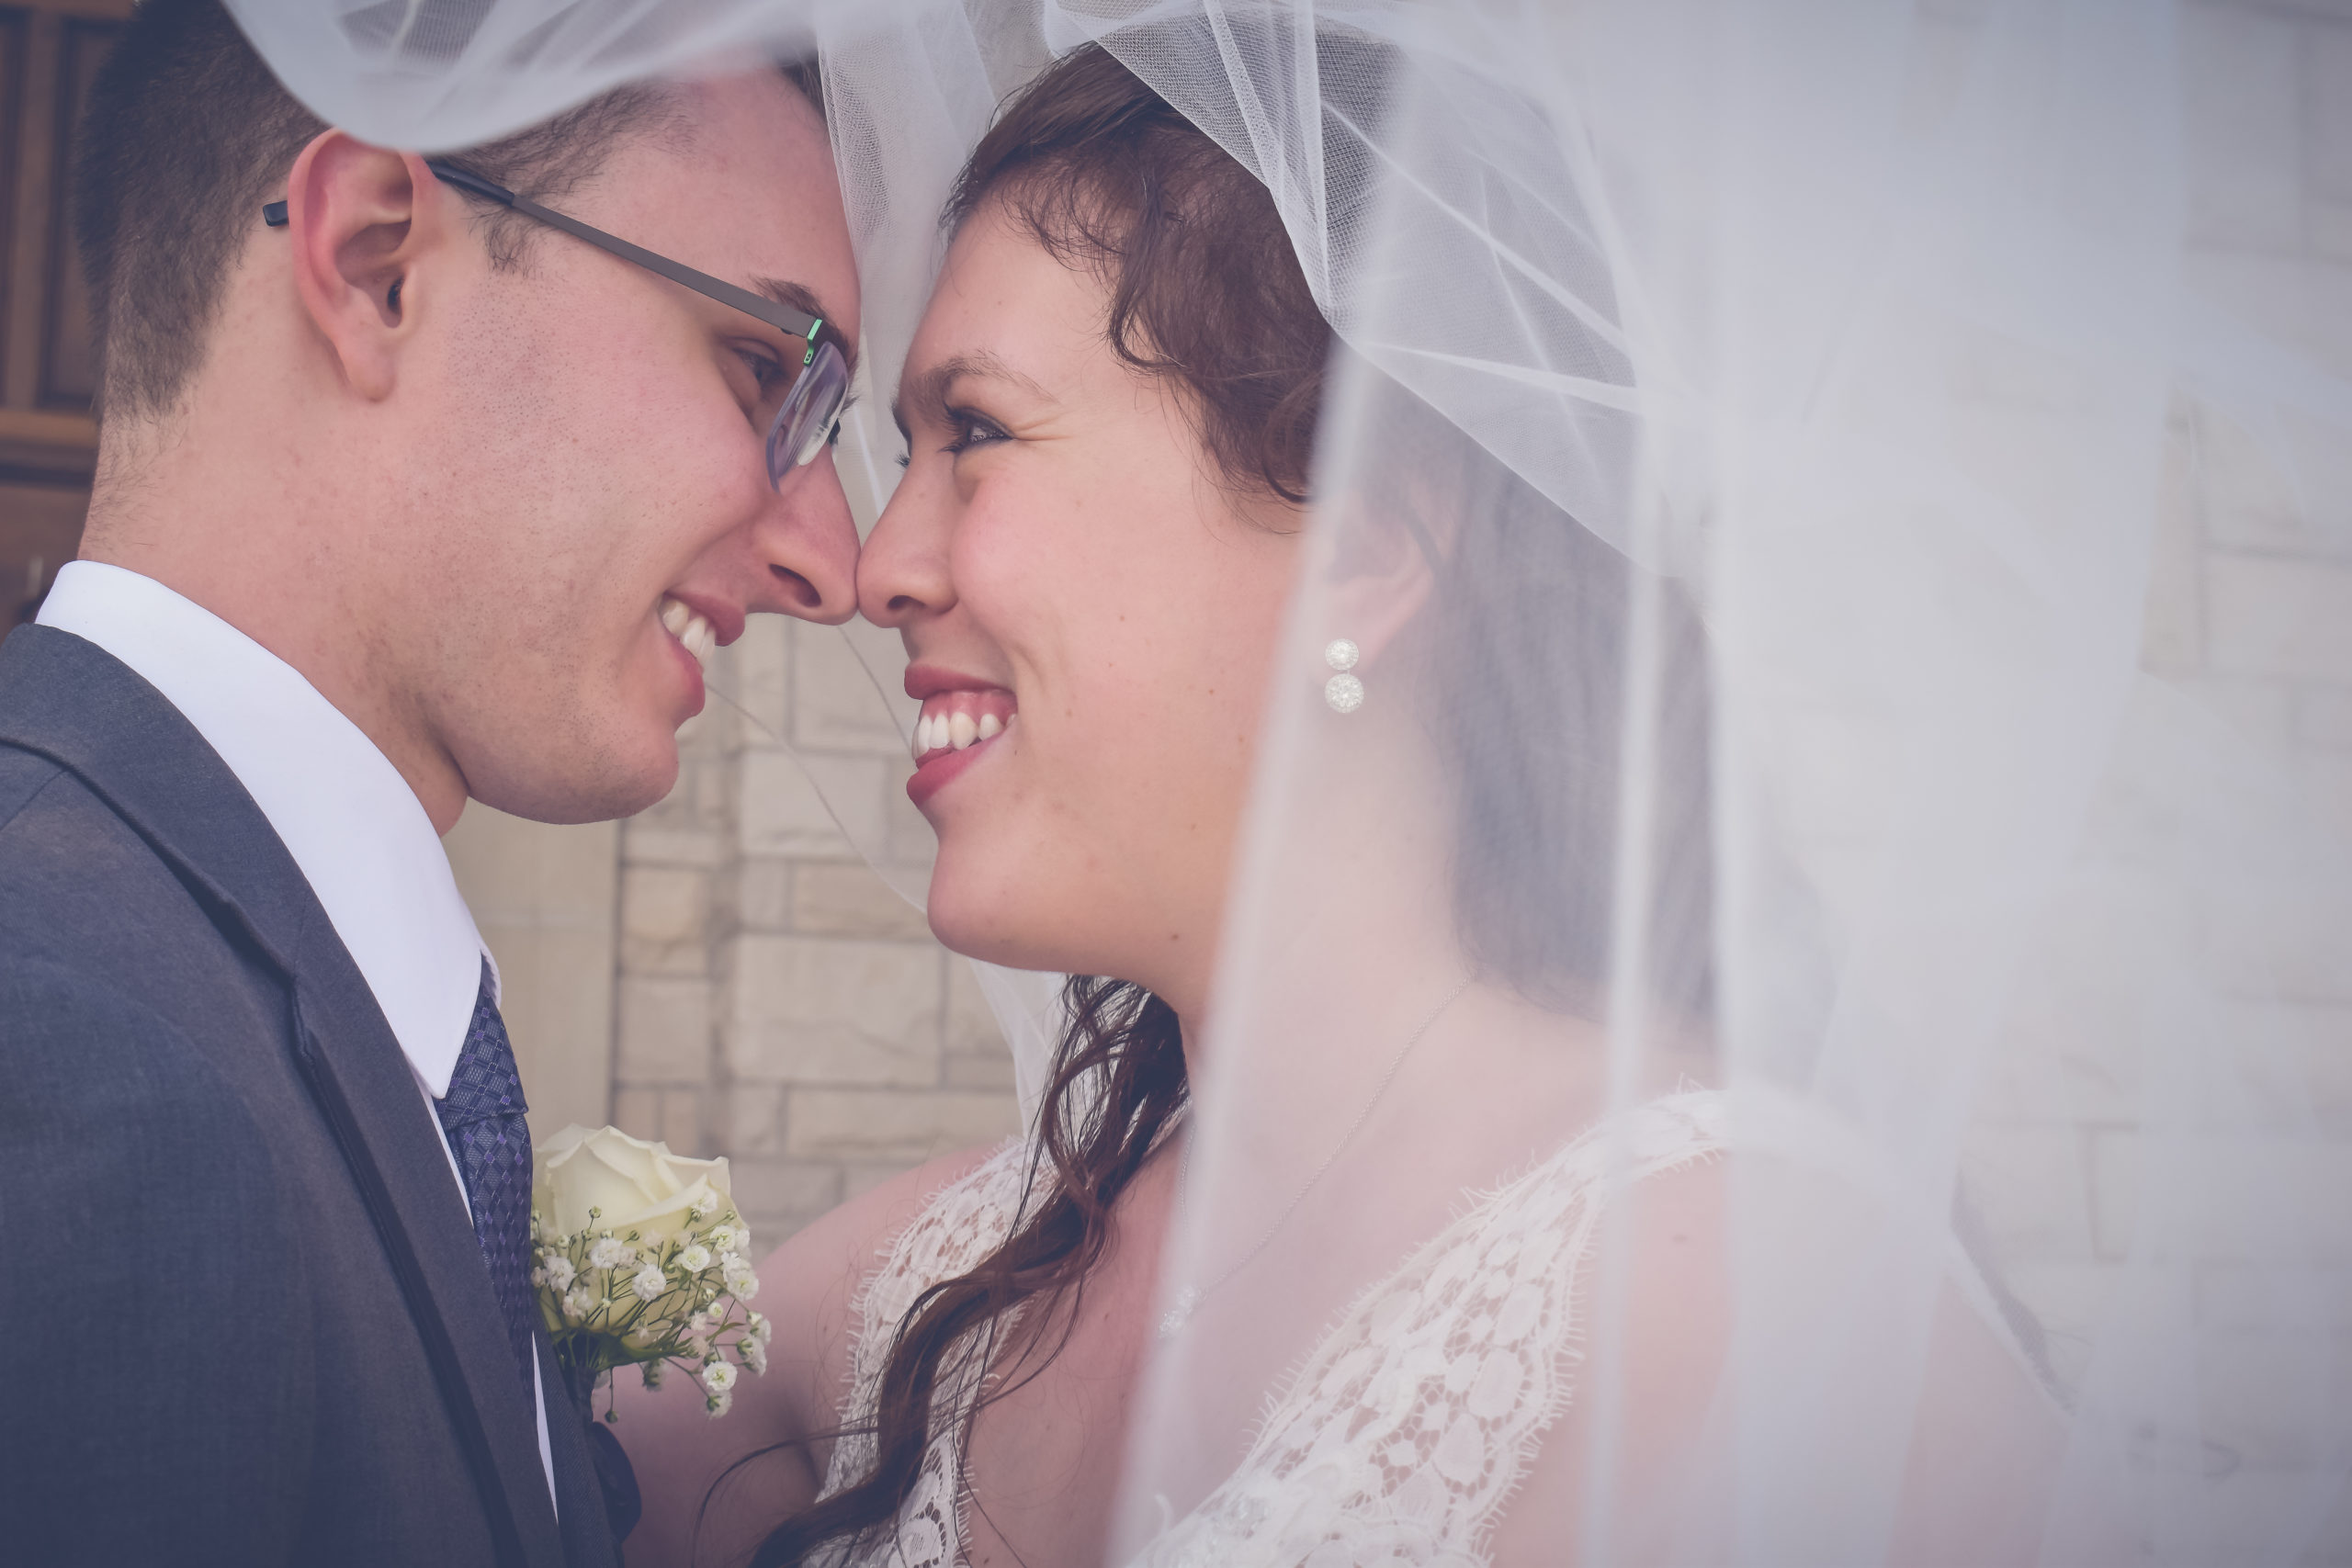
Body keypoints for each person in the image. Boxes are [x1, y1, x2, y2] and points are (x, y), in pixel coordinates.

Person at [0, 0, 862, 1562]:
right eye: (762, 371)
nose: (832, 561)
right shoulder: (60, 1054)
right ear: (376, 260)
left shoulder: (270, 995)